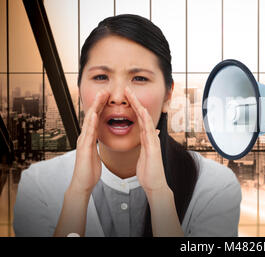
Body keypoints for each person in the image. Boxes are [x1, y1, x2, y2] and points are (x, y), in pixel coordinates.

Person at [13, 14, 241, 237]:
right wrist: (77, 194)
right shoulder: (38, 186)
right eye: (101, 77)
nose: (119, 97)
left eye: (139, 78)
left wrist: (160, 195)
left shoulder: (214, 187)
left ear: (168, 96)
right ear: (80, 89)